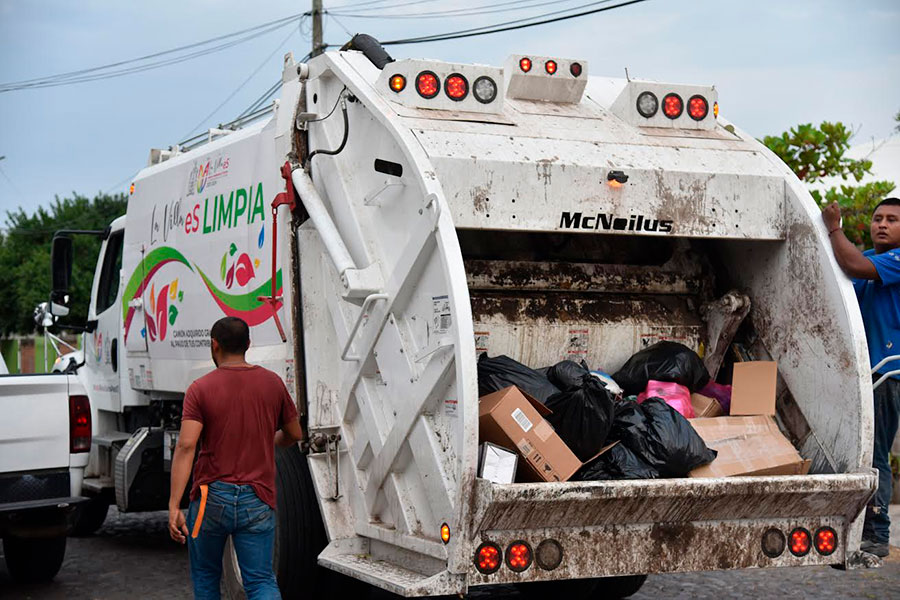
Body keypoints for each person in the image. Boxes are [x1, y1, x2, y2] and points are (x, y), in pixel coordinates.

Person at [168, 316, 304, 598]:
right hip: (258, 497)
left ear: (214, 345)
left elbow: (186, 446)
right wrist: (271, 440)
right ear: (248, 345)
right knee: (261, 581)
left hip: (209, 499)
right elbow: (294, 433)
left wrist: (173, 506)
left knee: (206, 578)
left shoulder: (200, 388)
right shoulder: (272, 383)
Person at [823, 197, 900, 558]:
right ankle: (866, 529)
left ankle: (878, 534)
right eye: (878, 218)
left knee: (876, 455)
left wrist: (834, 228)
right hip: (869, 376)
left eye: (892, 220)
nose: (882, 224)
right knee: (867, 454)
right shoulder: (872, 261)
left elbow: (851, 262)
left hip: (889, 373)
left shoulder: (893, 262)